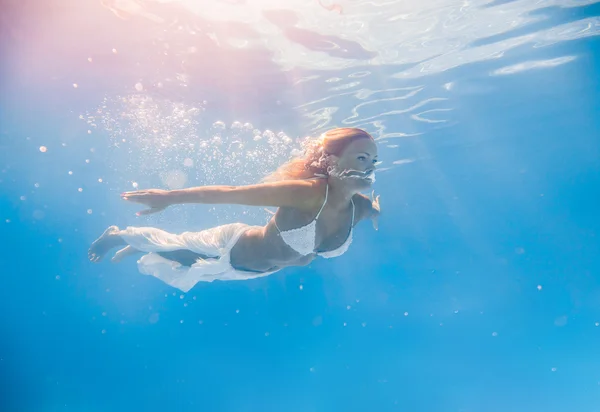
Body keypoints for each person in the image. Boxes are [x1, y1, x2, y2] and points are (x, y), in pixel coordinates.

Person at [88, 127, 381, 292]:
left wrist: (377, 211)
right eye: (362, 158)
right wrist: (169, 196)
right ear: (332, 161)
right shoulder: (307, 194)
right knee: (176, 255)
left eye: (374, 161)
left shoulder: (361, 207)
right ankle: (119, 236)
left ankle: (139, 245)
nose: (370, 167)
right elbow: (231, 194)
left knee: (168, 254)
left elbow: (374, 212)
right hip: (228, 252)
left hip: (254, 271)